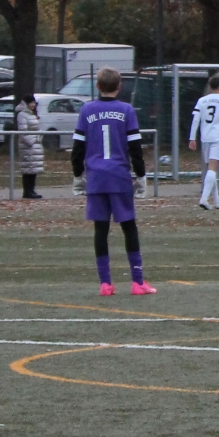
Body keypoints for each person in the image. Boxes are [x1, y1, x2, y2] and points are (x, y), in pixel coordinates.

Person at [70, 67, 152, 295]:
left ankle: (105, 283)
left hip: (96, 177)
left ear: (98, 86)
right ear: (119, 86)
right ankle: (137, 282)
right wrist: (141, 175)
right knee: (129, 226)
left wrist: (77, 175)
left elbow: (78, 147)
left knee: (101, 229)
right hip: (119, 176)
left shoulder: (87, 110)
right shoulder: (126, 110)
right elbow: (135, 147)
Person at [188, 74, 219, 210]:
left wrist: (192, 137)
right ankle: (204, 199)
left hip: (205, 137)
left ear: (210, 87)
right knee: (213, 168)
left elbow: (195, 120)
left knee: (211, 168)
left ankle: (216, 200)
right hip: (218, 137)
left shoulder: (202, 100)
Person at [16, 93, 45, 199]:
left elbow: (36, 129)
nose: (33, 105)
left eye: (34, 102)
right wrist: (33, 141)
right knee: (28, 170)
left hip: (35, 145)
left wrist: (38, 138)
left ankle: (31, 190)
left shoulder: (32, 114)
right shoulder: (22, 115)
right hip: (27, 146)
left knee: (33, 170)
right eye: (31, 103)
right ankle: (27, 191)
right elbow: (23, 132)